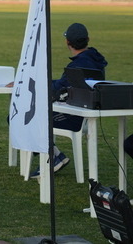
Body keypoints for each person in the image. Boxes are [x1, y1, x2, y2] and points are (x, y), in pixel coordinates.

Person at [30, 22, 107, 178]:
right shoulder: (94, 60)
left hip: (73, 116)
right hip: (85, 114)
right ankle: (55, 155)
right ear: (87, 39)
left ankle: (53, 156)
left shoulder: (77, 65)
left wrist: (34, 84)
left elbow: (58, 89)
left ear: (67, 42)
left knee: (25, 119)